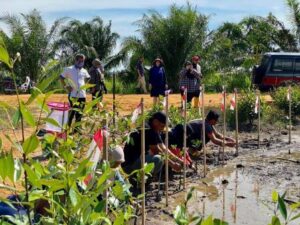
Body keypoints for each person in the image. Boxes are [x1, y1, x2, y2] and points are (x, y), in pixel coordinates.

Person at [121, 112, 184, 177]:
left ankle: (144, 179)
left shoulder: (155, 129)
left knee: (158, 158)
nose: (163, 129)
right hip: (130, 164)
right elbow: (157, 151)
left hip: (139, 159)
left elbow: (163, 148)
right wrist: (173, 164)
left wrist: (178, 160)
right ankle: (139, 179)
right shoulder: (147, 129)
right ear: (156, 122)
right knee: (158, 159)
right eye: (162, 126)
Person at [169, 110, 236, 157]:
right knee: (207, 137)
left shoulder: (205, 121)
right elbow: (214, 140)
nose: (217, 122)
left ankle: (191, 151)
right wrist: (227, 144)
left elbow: (217, 134)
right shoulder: (206, 125)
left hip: (186, 133)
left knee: (207, 135)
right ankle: (192, 151)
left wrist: (229, 139)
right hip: (184, 135)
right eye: (216, 120)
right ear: (212, 120)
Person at [60, 54, 90, 130]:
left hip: (82, 95)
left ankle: (77, 129)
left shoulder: (84, 71)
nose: (81, 62)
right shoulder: (69, 69)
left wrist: (85, 85)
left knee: (80, 113)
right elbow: (61, 77)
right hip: (73, 95)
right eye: (79, 61)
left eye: (82, 61)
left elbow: (88, 78)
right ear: (76, 60)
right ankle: (67, 129)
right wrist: (66, 86)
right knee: (72, 112)